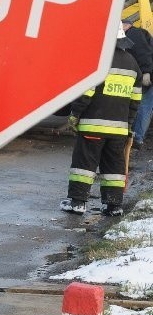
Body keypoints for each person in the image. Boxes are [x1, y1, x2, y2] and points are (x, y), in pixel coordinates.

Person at [60, 22, 142, 217]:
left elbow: (86, 94)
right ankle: (114, 205)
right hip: (119, 130)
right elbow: (135, 100)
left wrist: (74, 115)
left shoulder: (99, 62)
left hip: (92, 127)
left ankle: (78, 203)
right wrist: (128, 125)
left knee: (84, 165)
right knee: (114, 168)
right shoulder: (133, 64)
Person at [123, 19, 153, 149]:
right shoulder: (137, 34)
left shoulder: (134, 34)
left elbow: (143, 52)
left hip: (146, 76)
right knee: (143, 106)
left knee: (143, 106)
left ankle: (136, 137)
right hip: (145, 74)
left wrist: (146, 71)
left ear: (126, 26)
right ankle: (135, 137)